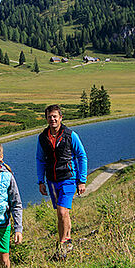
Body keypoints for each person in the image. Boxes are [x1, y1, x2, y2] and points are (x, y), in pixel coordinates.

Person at [36, 104, 87, 259]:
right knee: (61, 214)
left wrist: (81, 180)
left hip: (68, 178)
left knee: (62, 211)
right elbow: (39, 159)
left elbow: (81, 156)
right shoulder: (42, 138)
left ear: (60, 118)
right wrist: (40, 181)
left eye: (55, 116)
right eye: (49, 117)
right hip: (52, 181)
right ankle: (66, 239)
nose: (52, 119)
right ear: (46, 119)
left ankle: (63, 245)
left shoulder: (71, 135)